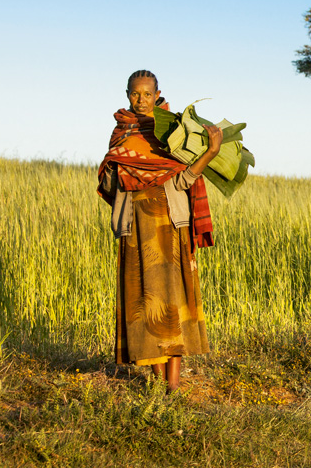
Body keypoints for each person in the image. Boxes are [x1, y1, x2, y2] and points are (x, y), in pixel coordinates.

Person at [97, 70, 222, 393]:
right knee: (143, 301)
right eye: (135, 94)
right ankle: (155, 381)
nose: (141, 100)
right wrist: (114, 168)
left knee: (173, 302)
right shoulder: (121, 132)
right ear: (127, 94)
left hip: (169, 224)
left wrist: (209, 154)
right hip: (135, 226)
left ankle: (174, 384)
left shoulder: (173, 131)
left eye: (147, 94)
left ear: (158, 93)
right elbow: (111, 186)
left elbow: (182, 178)